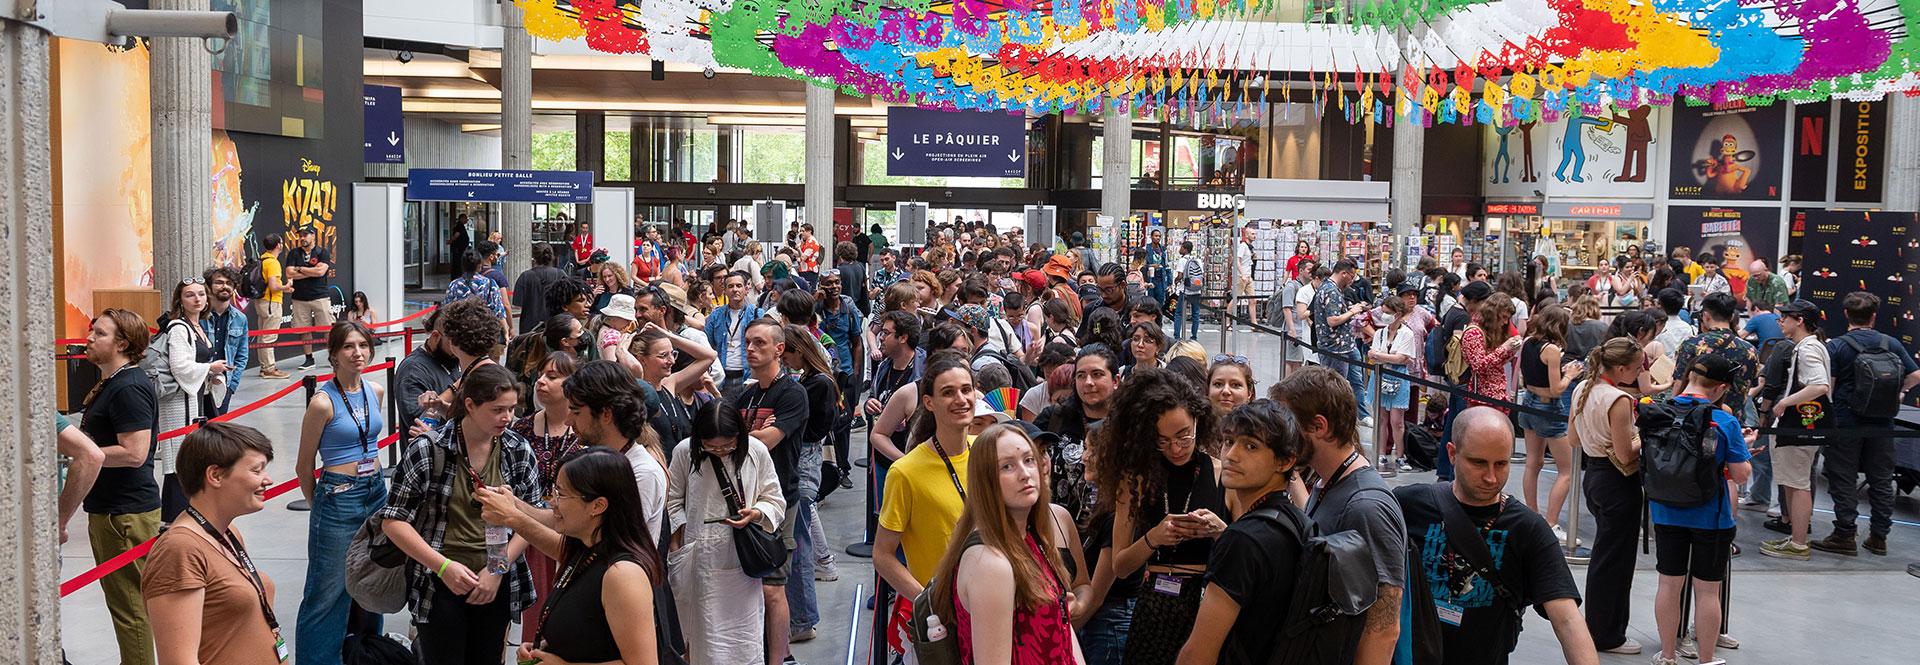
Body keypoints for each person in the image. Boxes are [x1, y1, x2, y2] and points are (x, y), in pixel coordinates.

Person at [1394, 407, 1595, 665]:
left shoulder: (1527, 529)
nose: (1491, 477)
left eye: (1501, 464)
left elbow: (1567, 619)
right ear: (1452, 454)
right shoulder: (1408, 505)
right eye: (1478, 463)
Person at [375, 364, 546, 664]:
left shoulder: (517, 449)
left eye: (511, 409)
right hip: (438, 583)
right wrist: (443, 568)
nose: (507, 418)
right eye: (497, 410)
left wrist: (495, 570)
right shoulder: (428, 449)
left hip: (495, 582)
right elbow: (393, 521)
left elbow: (529, 521)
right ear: (470, 405)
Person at [479, 447, 673, 665]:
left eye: (561, 494)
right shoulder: (587, 550)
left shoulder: (623, 574)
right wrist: (545, 649)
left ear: (597, 506)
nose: (552, 502)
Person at [1270, 367, 1406, 665]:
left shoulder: (1367, 506)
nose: (1281, 435)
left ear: (1318, 426)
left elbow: (1383, 627)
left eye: (1287, 423)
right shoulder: (1325, 481)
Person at [1100, 367, 1229, 664]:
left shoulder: (1220, 471)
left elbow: (1242, 550)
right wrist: (1154, 537)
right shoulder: (1137, 478)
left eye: (1184, 437)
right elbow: (1120, 566)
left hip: (1207, 602)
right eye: (1163, 441)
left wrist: (1220, 530)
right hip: (1156, 604)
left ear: (1198, 420)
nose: (1175, 449)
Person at [926, 424, 1085, 664]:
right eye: (1007, 466)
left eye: (1029, 460)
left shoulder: (1028, 538)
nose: (1025, 473)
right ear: (986, 480)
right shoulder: (990, 563)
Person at [1173, 400, 1306, 665]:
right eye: (1228, 441)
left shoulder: (1242, 540)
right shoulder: (1295, 519)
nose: (1231, 455)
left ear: (1285, 461)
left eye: (1251, 446)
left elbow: (1198, 655)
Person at [142, 422, 283, 665]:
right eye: (256, 470)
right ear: (215, 475)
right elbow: (179, 661)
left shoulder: (228, 533)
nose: (267, 480)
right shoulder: (180, 550)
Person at [293, 322, 388, 665]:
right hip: (338, 497)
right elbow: (304, 467)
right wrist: (318, 503)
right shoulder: (322, 402)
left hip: (376, 492)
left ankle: (367, 654)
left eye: (363, 345)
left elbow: (371, 441)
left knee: (370, 580)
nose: (358, 353)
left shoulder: (374, 390)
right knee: (327, 590)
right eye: (349, 346)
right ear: (333, 354)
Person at [1647, 355, 1752, 665]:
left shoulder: (1660, 410)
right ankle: (1706, 659)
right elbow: (1741, 473)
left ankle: (1667, 655)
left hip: (1665, 510)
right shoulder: (1724, 421)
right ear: (1719, 388)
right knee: (1707, 591)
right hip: (1712, 517)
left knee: (1668, 584)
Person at [666, 398, 787, 664]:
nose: (720, 451)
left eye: (727, 445)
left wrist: (755, 514)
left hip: (742, 559)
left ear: (739, 436)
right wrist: (679, 541)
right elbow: (673, 500)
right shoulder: (684, 452)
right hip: (699, 557)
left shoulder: (755, 450)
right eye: (711, 446)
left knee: (745, 637)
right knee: (704, 635)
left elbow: (775, 499)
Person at [875, 353, 978, 658]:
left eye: (966, 389)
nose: (960, 399)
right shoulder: (906, 472)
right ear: (929, 402)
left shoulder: (989, 454)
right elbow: (882, 554)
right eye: (948, 392)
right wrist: (927, 602)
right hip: (943, 624)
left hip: (991, 608)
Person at [80, 308, 162, 665]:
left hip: (123, 514)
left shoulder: (128, 387)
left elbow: (133, 453)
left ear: (122, 343)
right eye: (92, 331)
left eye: (99, 333)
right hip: (115, 509)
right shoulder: (115, 382)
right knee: (127, 606)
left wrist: (81, 455)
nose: (89, 338)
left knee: (130, 609)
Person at [1810, 292, 1920, 557]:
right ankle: (1879, 537)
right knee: (1881, 479)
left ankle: (1845, 534)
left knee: (1842, 477)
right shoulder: (1891, 343)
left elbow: (1829, 388)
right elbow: (1915, 374)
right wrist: (1899, 392)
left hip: (1846, 420)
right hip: (1882, 422)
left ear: (1846, 314)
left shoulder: (1836, 346)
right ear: (1874, 316)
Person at [735, 318, 811, 665]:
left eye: (760, 343)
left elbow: (770, 440)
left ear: (779, 349)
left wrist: (738, 438)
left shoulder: (792, 392)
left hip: (780, 499)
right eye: (748, 342)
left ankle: (780, 658)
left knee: (773, 586)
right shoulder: (748, 394)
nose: (751, 349)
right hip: (748, 499)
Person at [1566, 337, 1646, 654]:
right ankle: (1608, 634)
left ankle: (1599, 628)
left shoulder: (1581, 389)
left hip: (1594, 478)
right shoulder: (1619, 399)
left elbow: (1573, 438)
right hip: (1617, 482)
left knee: (1604, 556)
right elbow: (1627, 455)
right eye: (1638, 367)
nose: (1640, 373)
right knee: (1616, 561)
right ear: (1622, 367)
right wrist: (1645, 437)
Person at [505, 350, 585, 640]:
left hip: (572, 534)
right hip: (528, 533)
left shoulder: (584, 430)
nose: (541, 381)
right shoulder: (522, 428)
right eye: (540, 375)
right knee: (534, 619)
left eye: (552, 376)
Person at [779, 322, 839, 644]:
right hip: (802, 462)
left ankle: (802, 618)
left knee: (800, 540)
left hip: (804, 462)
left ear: (798, 350)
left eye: (785, 352)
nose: (783, 359)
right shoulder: (810, 380)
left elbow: (814, 431)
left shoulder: (816, 385)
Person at [1755, 300, 1829, 561]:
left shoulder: (1808, 349)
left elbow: (1820, 385)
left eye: (1784, 318)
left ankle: (1798, 543)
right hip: (1800, 424)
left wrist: (1786, 402)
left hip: (1799, 425)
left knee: (1798, 484)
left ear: (1799, 320)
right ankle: (1795, 537)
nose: (1780, 322)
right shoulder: (1809, 346)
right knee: (1793, 481)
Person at [155, 278, 231, 521]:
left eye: (201, 294)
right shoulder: (179, 328)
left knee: (195, 458)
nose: (197, 299)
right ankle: (175, 519)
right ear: (180, 300)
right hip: (180, 404)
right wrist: (210, 368)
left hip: (198, 399)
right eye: (190, 295)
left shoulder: (199, 326)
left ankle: (196, 513)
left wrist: (213, 375)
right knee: (179, 460)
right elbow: (181, 367)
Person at [1516, 304, 1582, 542]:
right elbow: (1556, 390)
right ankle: (1551, 522)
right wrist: (1569, 375)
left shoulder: (1528, 342)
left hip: (1529, 402)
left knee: (1533, 462)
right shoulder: (1552, 349)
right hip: (1548, 407)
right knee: (1567, 470)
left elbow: (1526, 377)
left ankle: (1531, 514)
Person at [1035, 345, 1120, 529]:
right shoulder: (1055, 418)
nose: (1088, 382)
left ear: (1116, 380)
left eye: (1097, 374)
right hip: (1056, 530)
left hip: (1111, 535)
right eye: (1081, 376)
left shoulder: (1130, 424)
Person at [1433, 281, 1493, 481]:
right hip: (1462, 378)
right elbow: (1463, 351)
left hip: (1454, 376)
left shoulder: (1453, 310)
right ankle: (1452, 474)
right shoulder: (1463, 317)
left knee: (1452, 425)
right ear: (1475, 300)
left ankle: (1444, 471)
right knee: (1459, 429)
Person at [1367, 295, 1419, 478]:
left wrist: (1381, 356)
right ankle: (1381, 454)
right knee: (1381, 418)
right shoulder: (1380, 333)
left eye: (1387, 313)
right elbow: (1372, 353)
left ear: (1397, 314)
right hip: (1380, 376)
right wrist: (1387, 356)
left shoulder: (1407, 334)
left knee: (1397, 421)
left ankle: (1400, 455)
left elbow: (1402, 358)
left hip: (1398, 378)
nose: (1383, 315)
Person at [284, 225, 335, 371]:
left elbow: (320, 271)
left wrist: (299, 268)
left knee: (328, 328)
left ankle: (333, 356)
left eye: (305, 235)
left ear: (313, 236)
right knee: (304, 330)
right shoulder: (294, 253)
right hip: (300, 298)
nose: (302, 238)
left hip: (320, 296)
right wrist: (310, 271)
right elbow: (288, 273)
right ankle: (309, 359)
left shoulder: (322, 252)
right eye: (300, 235)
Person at [1460, 292, 1521, 415]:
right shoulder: (1473, 333)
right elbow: (1479, 366)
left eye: (1507, 318)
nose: (1505, 322)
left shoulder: (1489, 331)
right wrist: (1504, 348)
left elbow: (1495, 363)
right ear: (1493, 314)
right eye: (1503, 317)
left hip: (1496, 395)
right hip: (1483, 398)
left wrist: (1510, 351)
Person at [201, 266, 250, 414]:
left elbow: (242, 355)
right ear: (209, 286)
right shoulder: (198, 316)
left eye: (229, 283)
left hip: (223, 384)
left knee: (218, 430)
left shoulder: (240, 319)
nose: (225, 286)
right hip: (198, 382)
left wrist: (232, 385)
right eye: (219, 282)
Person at [705, 271, 764, 389]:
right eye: (730, 286)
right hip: (723, 377)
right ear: (725, 290)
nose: (735, 289)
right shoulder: (715, 316)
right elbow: (707, 346)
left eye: (739, 285)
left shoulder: (757, 314)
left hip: (748, 376)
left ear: (746, 289)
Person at [252, 234, 294, 379]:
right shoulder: (273, 263)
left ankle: (265, 367)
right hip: (271, 302)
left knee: (262, 336)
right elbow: (274, 286)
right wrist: (286, 286)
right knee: (269, 337)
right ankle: (269, 369)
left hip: (261, 301)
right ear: (278, 245)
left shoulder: (262, 259)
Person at [514, 244, 568, 335]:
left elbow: (517, 304)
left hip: (529, 327)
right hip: (555, 325)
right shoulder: (560, 274)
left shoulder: (525, 276)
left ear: (534, 258)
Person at [1172, 240, 1204, 341]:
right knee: (1196, 314)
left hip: (1185, 290)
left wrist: (1175, 280)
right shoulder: (1197, 260)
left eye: (1181, 247)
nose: (1179, 249)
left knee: (1179, 313)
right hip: (1196, 290)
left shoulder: (1182, 260)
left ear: (1185, 249)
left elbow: (1180, 276)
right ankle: (1194, 336)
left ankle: (1177, 336)